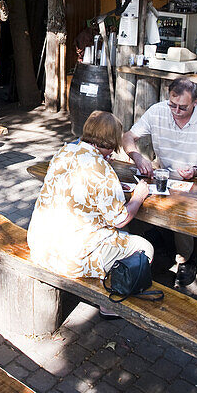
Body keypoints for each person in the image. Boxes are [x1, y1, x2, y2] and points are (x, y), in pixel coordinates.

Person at [28, 110, 153, 307]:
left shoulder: (65, 151)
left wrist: (102, 162)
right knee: (144, 247)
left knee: (118, 234)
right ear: (113, 141)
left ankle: (108, 282)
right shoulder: (102, 170)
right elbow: (119, 219)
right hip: (68, 257)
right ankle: (111, 305)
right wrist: (138, 196)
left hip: (39, 244)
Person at [121, 76, 197, 287]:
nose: (176, 111)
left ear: (195, 103)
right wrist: (137, 156)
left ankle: (187, 258)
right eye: (173, 105)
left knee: (184, 211)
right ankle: (151, 246)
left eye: (183, 107)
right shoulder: (158, 110)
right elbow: (128, 136)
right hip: (166, 172)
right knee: (136, 196)